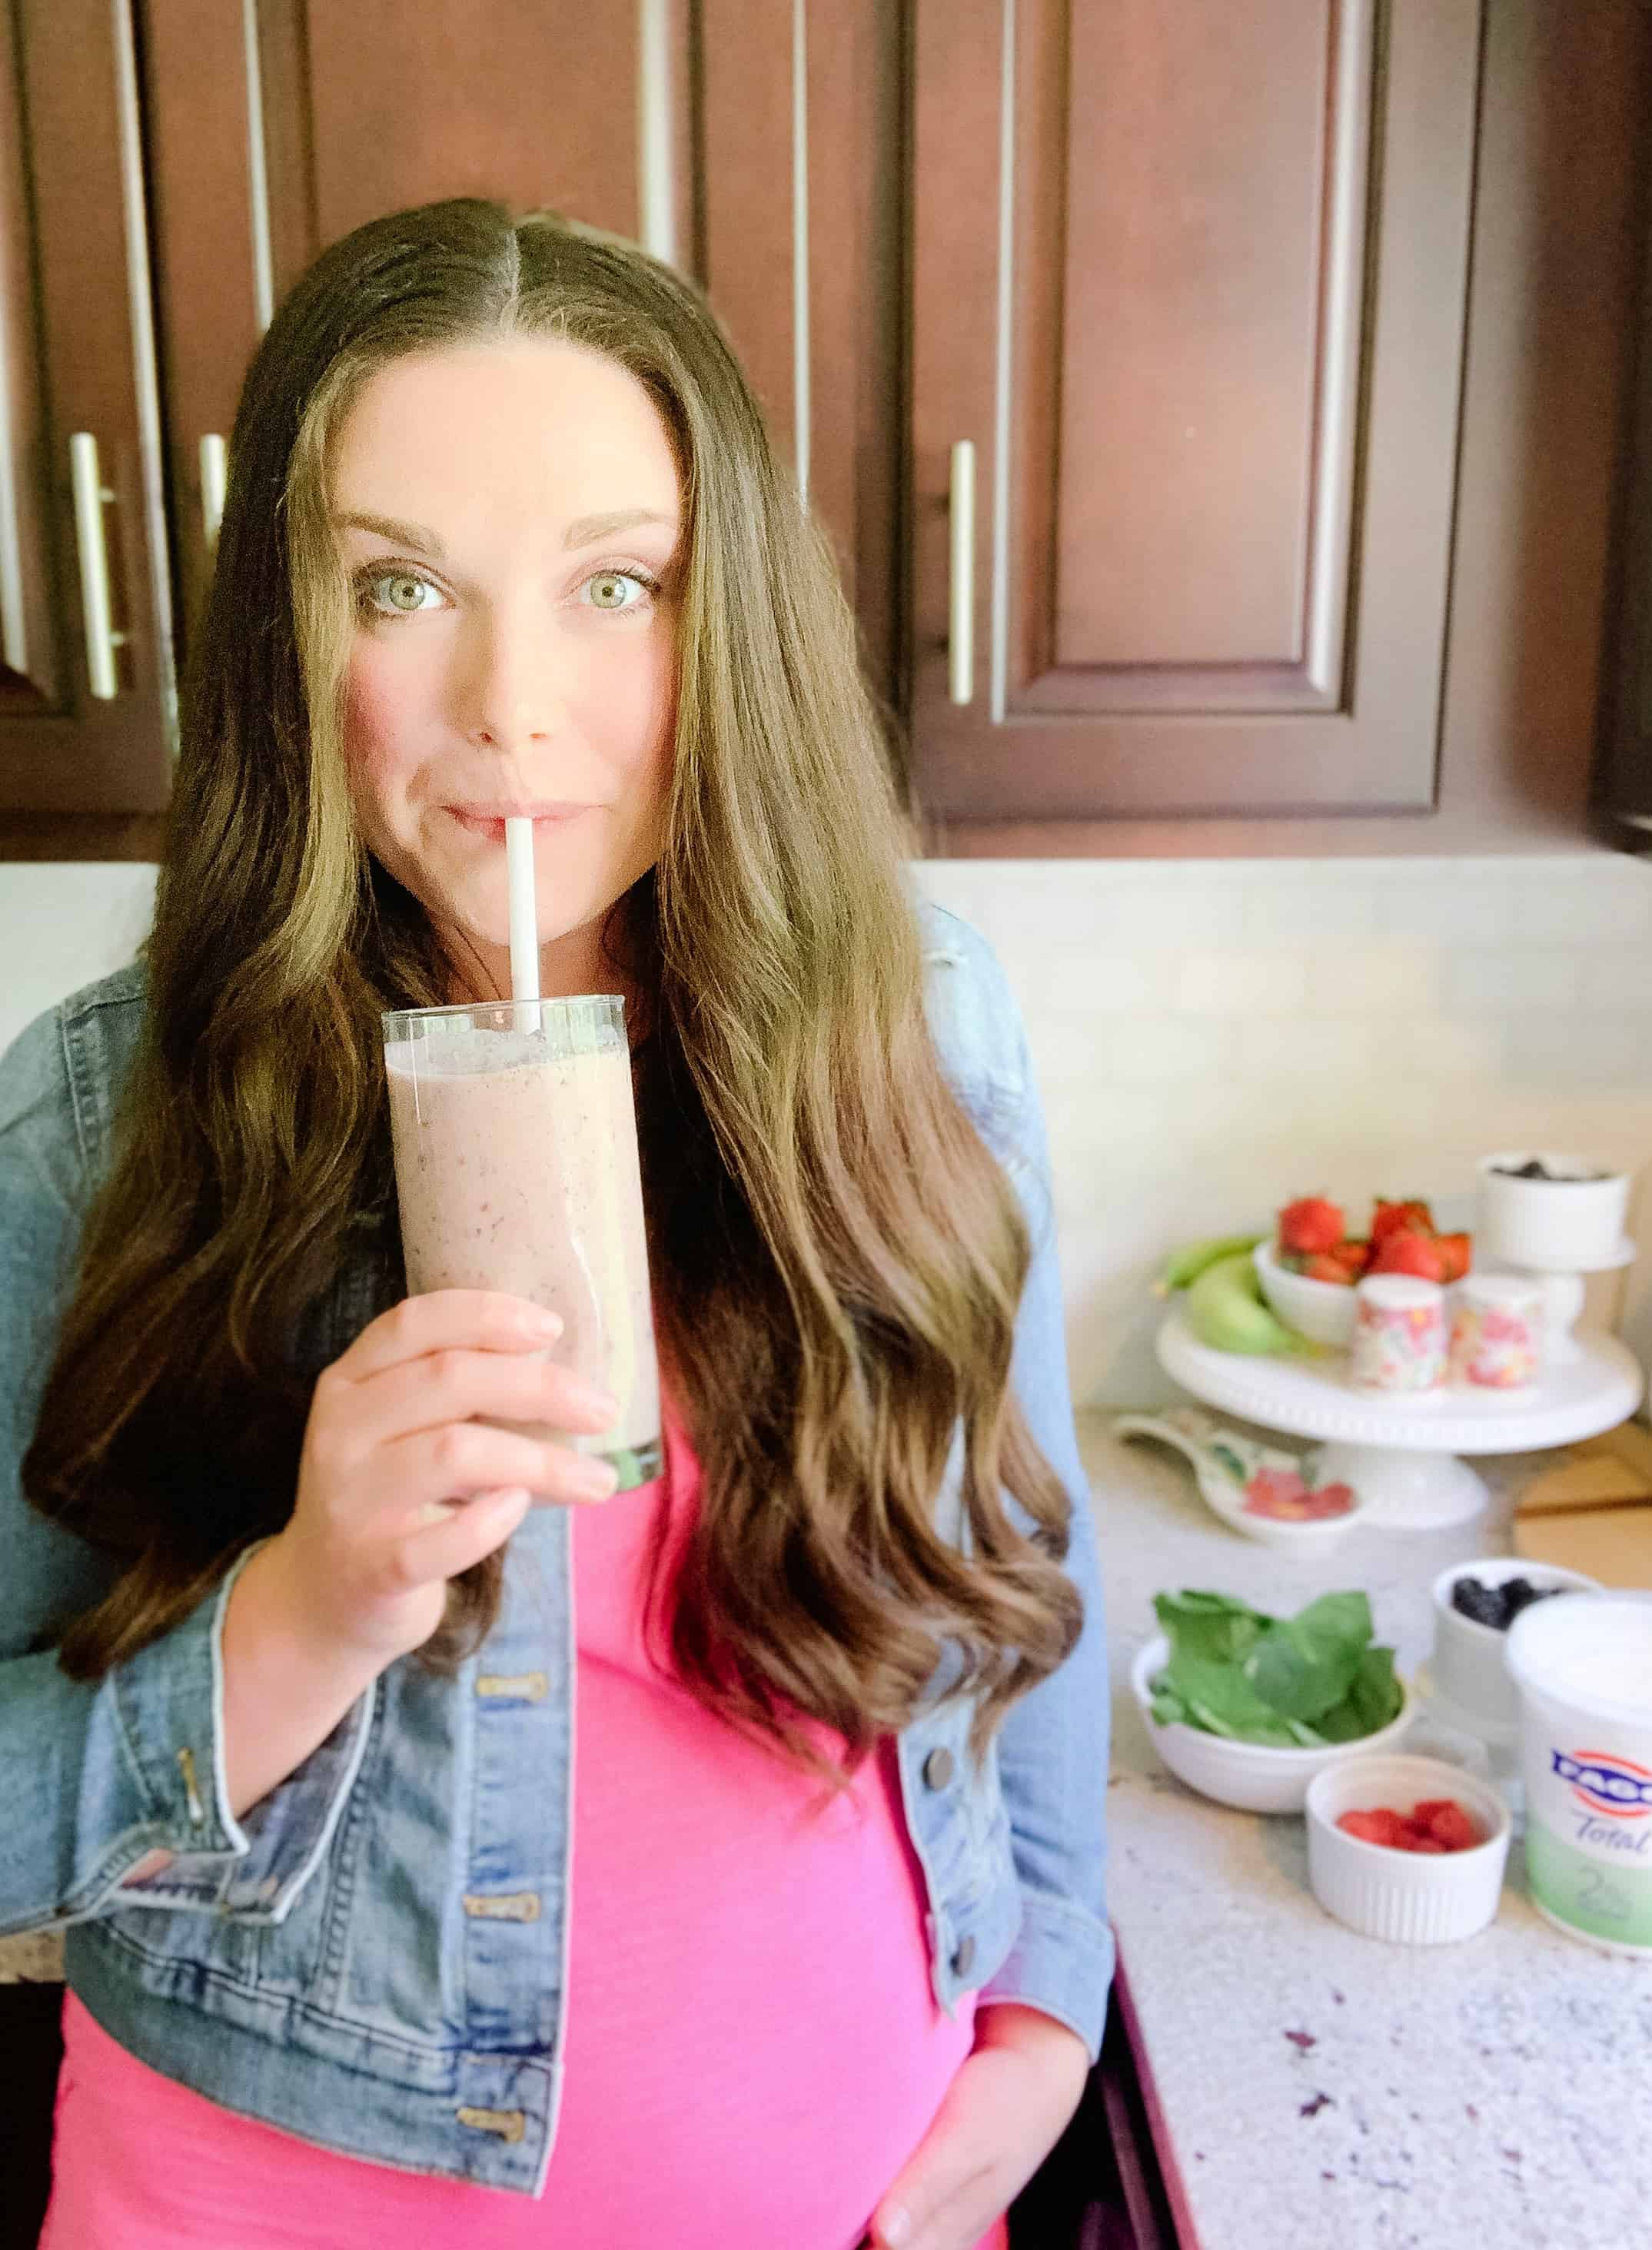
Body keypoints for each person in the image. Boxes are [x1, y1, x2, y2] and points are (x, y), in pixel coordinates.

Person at [0, 199, 1111, 2250]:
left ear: (731, 618)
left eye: (618, 584)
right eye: (401, 585)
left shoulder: (919, 1026)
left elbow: (1022, 1547)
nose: (513, 705)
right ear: (286, 643)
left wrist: (1045, 2000)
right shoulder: (103, 1126)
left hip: (858, 2197)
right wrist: (303, 1614)